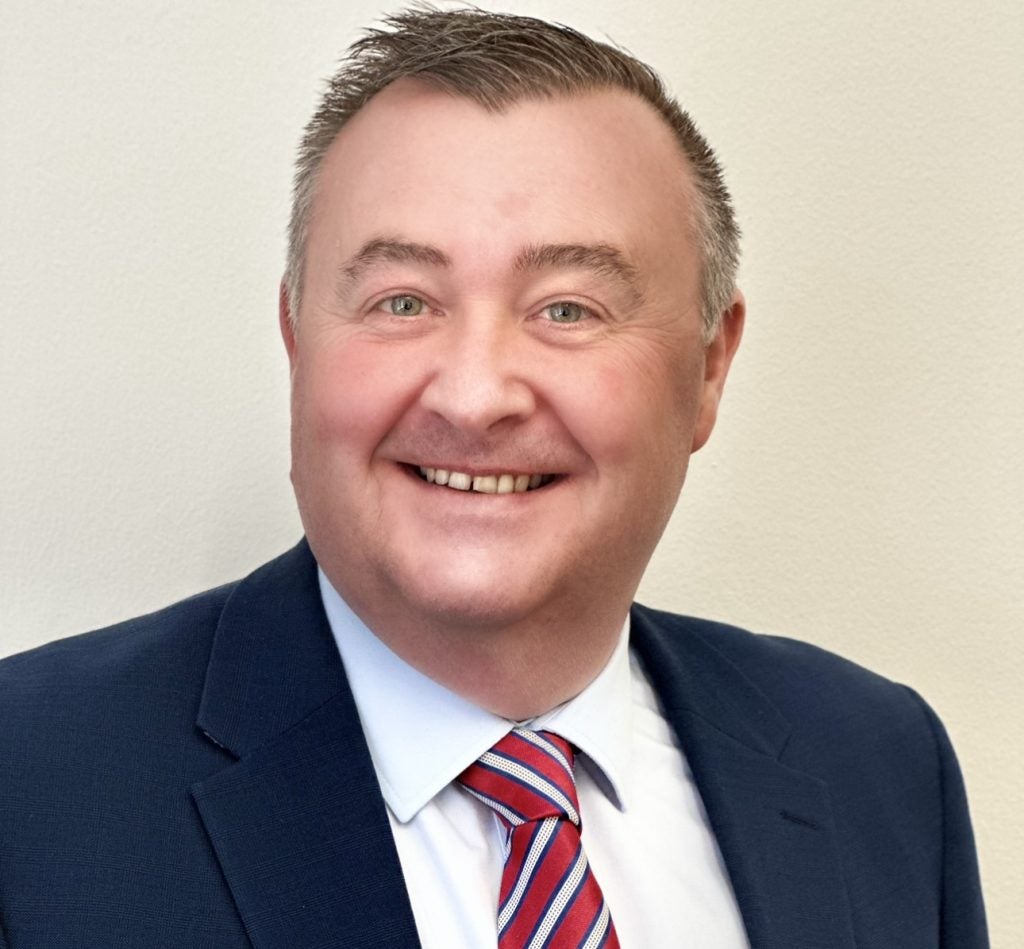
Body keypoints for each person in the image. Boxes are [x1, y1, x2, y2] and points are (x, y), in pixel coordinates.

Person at [0, 7, 987, 948]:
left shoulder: (880, 765)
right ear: (297, 340)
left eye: (568, 308)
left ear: (708, 368)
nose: (474, 398)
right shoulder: (29, 787)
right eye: (402, 301)